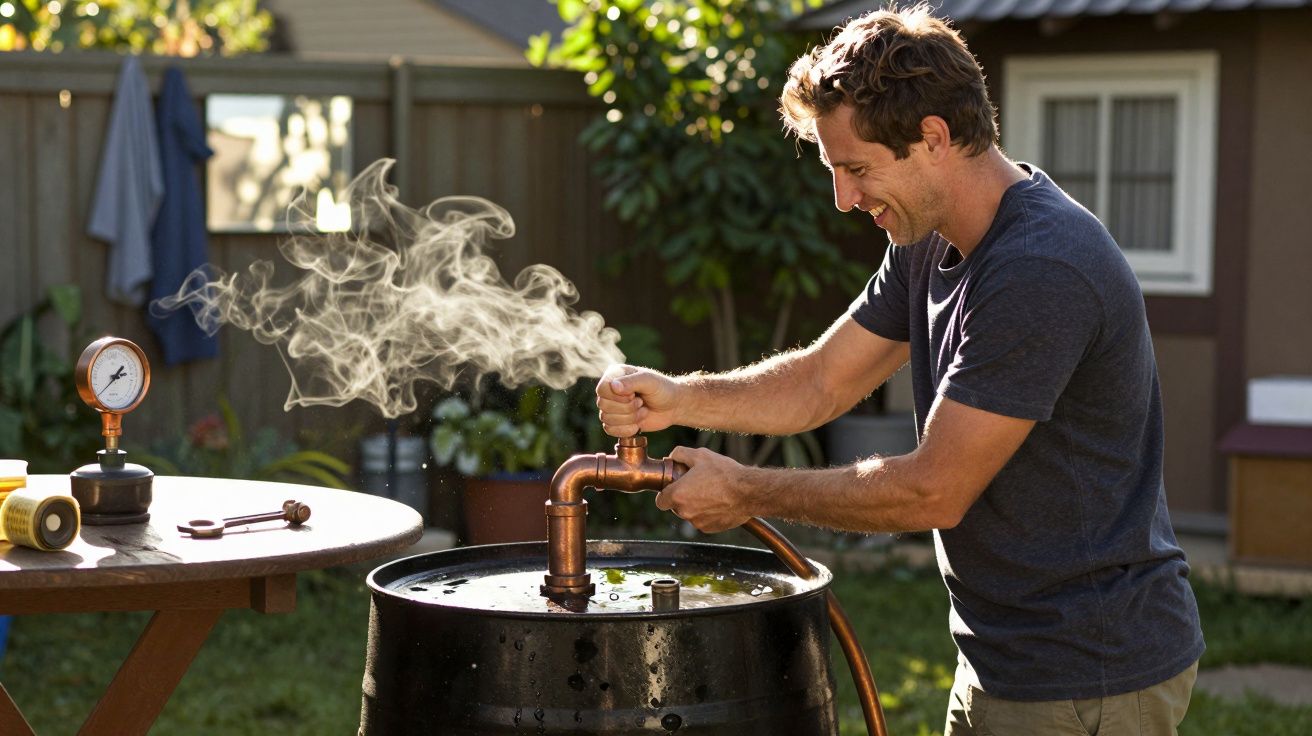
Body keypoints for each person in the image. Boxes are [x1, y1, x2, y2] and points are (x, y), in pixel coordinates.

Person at [594, 5, 1204, 735]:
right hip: (1005, 657)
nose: (844, 199)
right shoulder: (927, 237)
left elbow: (931, 491)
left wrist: (747, 490)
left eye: (856, 170)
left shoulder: (1040, 267)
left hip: (1086, 673)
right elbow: (824, 380)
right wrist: (679, 397)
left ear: (934, 138)